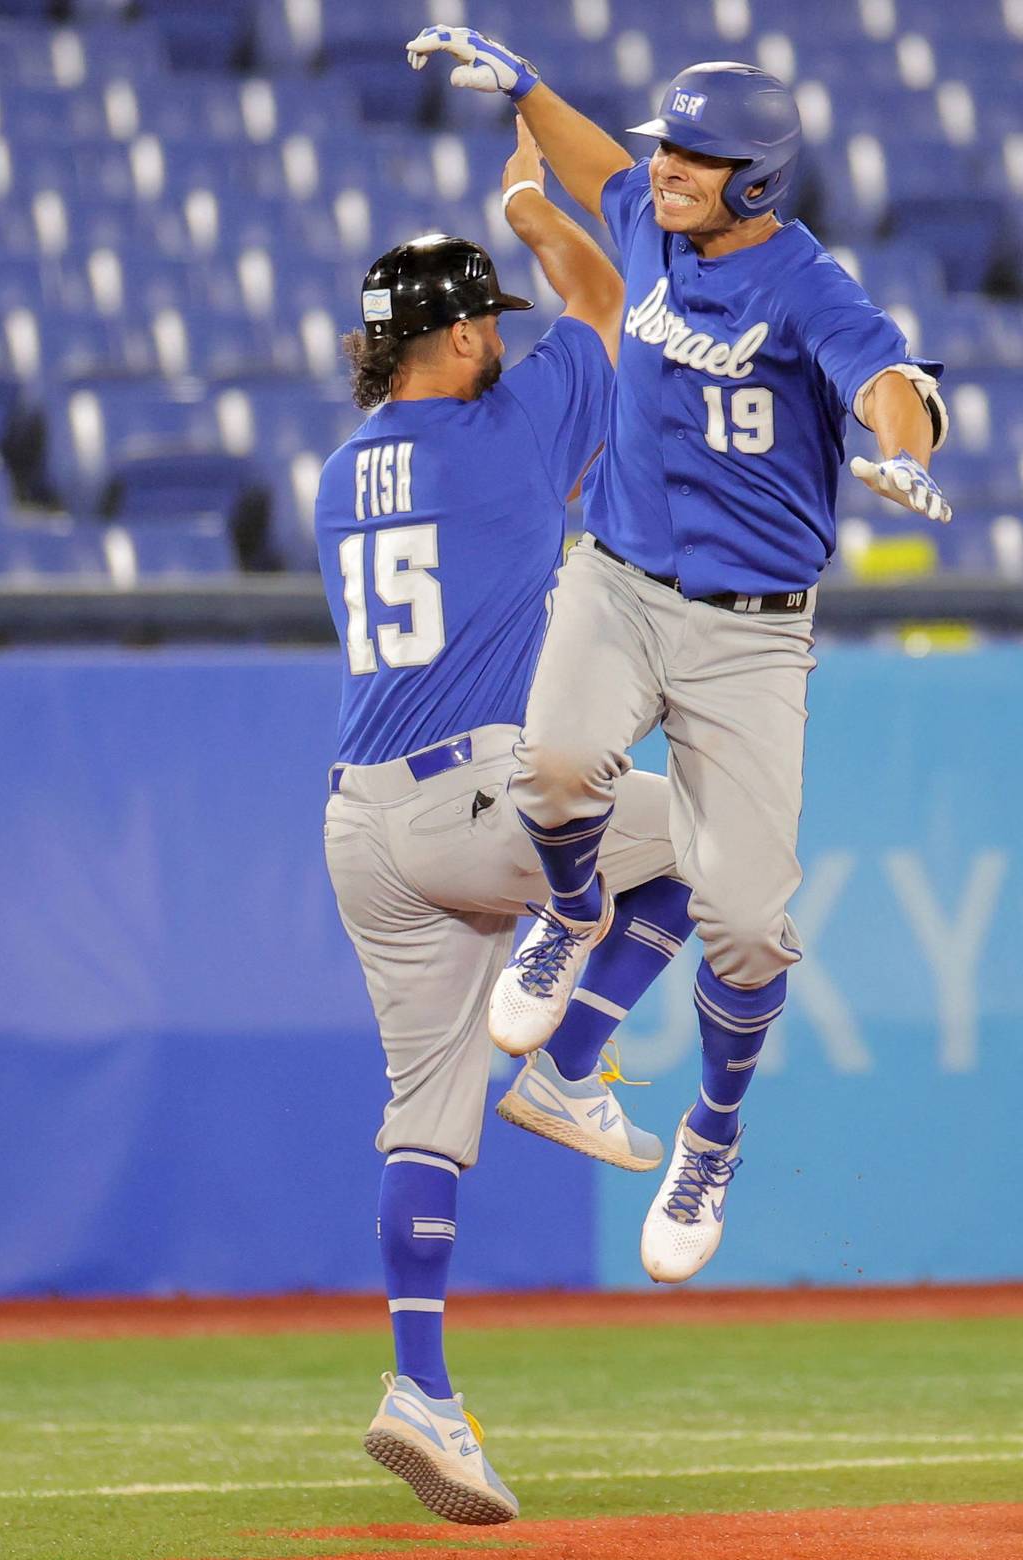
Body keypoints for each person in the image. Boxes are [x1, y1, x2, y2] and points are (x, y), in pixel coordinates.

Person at [406, 34, 953, 1285]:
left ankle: (708, 1133)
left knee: (749, 931)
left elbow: (888, 378)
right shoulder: (650, 225)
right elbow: (601, 165)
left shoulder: (807, 285)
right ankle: (570, 908)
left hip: (751, 633)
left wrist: (907, 444)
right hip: (616, 574)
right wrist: (530, 90)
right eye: (671, 148)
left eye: (697, 159)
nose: (668, 172)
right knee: (548, 768)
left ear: (755, 181)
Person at [317, 122, 693, 1527]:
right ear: (456, 335)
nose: (498, 335)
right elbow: (604, 304)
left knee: (425, 1114)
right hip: (481, 794)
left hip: (361, 819)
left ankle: (421, 1385)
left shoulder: (338, 468)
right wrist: (534, 206)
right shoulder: (502, 429)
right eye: (482, 319)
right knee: (719, 840)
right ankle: (571, 1054)